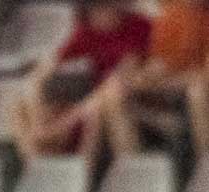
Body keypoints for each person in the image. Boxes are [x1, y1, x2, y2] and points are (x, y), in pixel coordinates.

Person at [97, 0, 209, 160]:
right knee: (114, 93)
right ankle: (134, 178)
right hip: (186, 101)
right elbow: (154, 72)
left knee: (199, 91)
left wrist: (165, 82)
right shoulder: (172, 17)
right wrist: (135, 79)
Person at [11, 0, 151, 163]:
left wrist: (64, 123)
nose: (100, 16)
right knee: (18, 109)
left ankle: (83, 175)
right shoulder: (87, 32)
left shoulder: (140, 26)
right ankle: (37, 167)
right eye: (94, 11)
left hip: (133, 97)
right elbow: (43, 71)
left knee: (103, 101)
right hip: (96, 100)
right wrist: (38, 117)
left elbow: (123, 75)